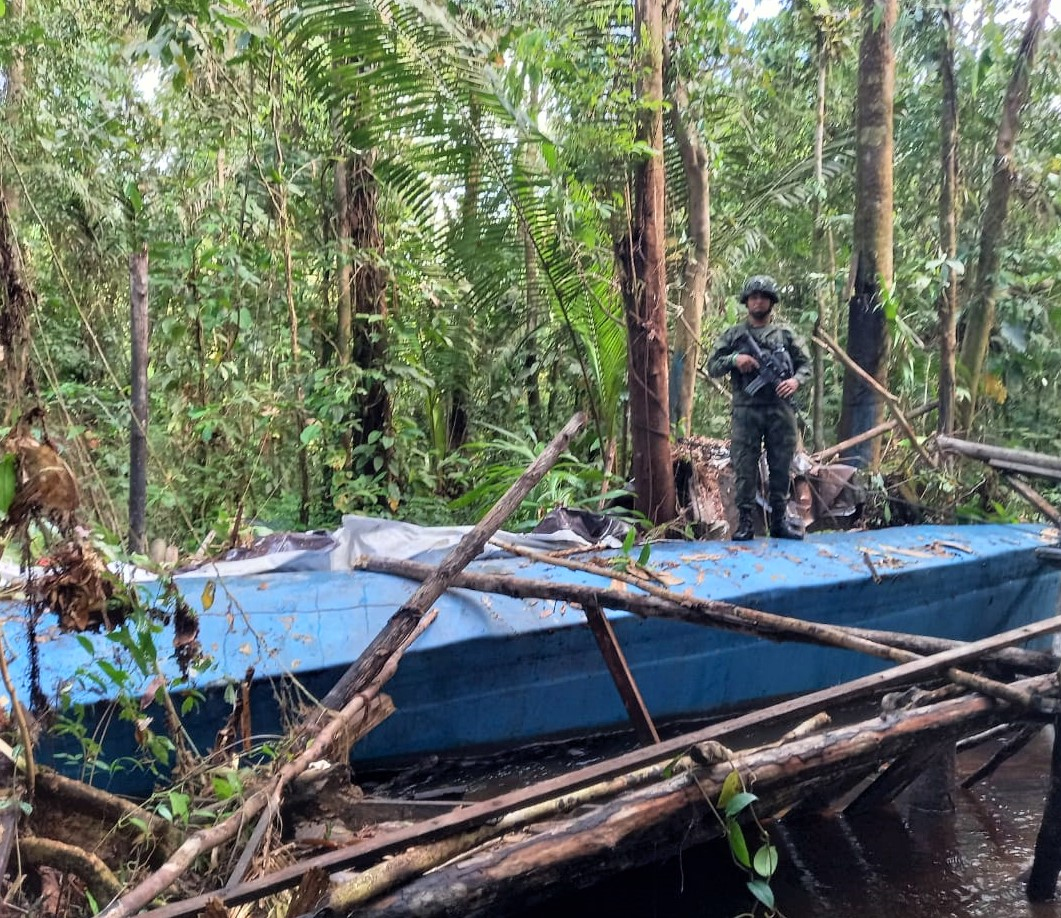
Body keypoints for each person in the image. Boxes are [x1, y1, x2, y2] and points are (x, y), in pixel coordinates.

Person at [706, 275, 812, 541]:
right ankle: (744, 524)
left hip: (780, 409)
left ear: (771, 302)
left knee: (780, 466)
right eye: (753, 297)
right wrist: (735, 359)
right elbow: (713, 366)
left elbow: (806, 366)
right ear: (746, 301)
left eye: (763, 297)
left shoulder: (785, 335)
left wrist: (794, 381)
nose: (758, 301)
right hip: (746, 410)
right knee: (745, 467)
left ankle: (779, 522)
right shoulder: (734, 335)